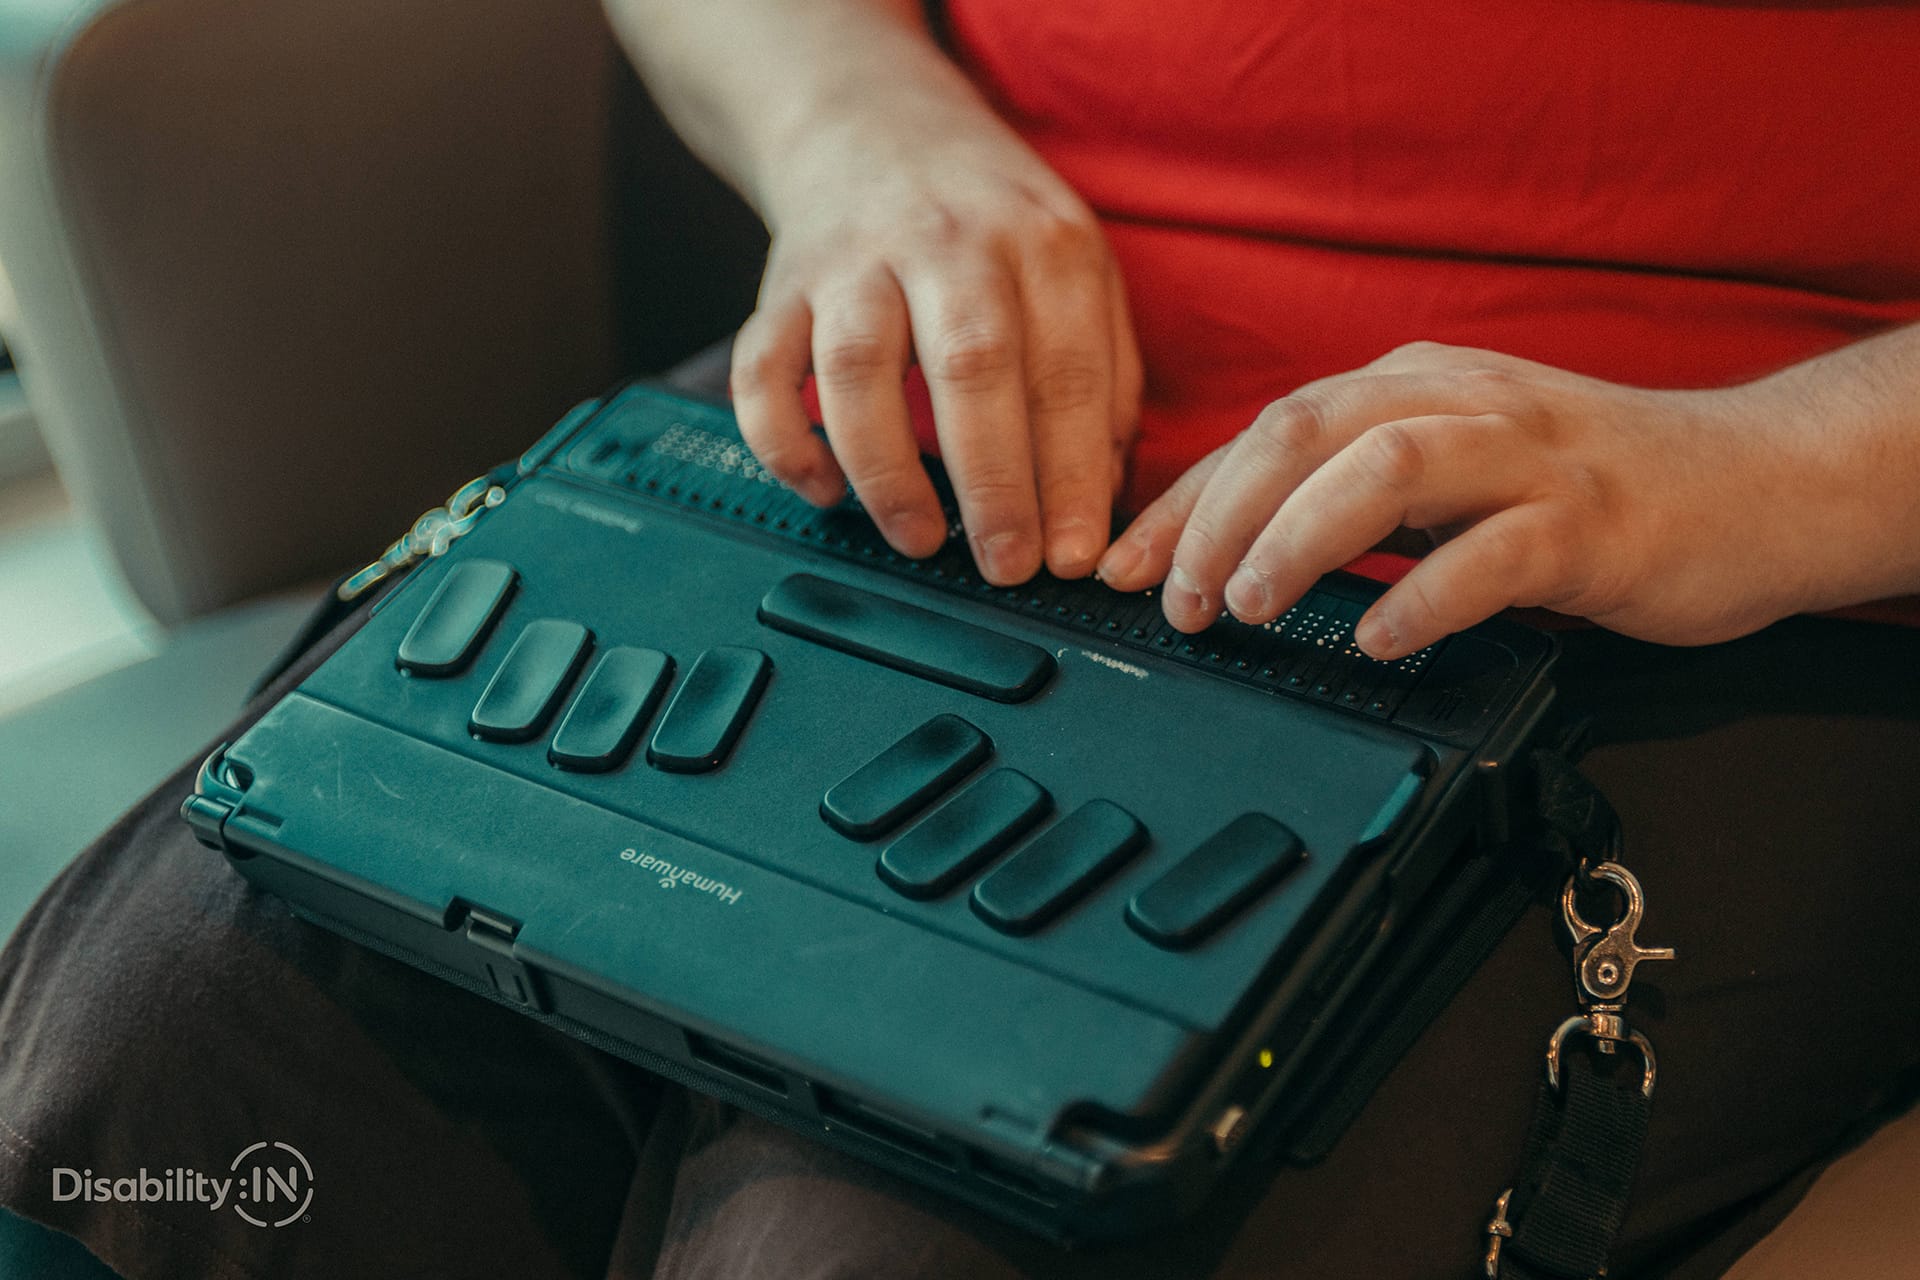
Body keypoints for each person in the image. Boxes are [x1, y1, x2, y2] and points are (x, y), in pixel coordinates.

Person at [1, 1, 1916, 1277]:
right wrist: (866, 134)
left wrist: (1760, 464)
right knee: (149, 1073)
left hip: (1676, 547)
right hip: (929, 405)